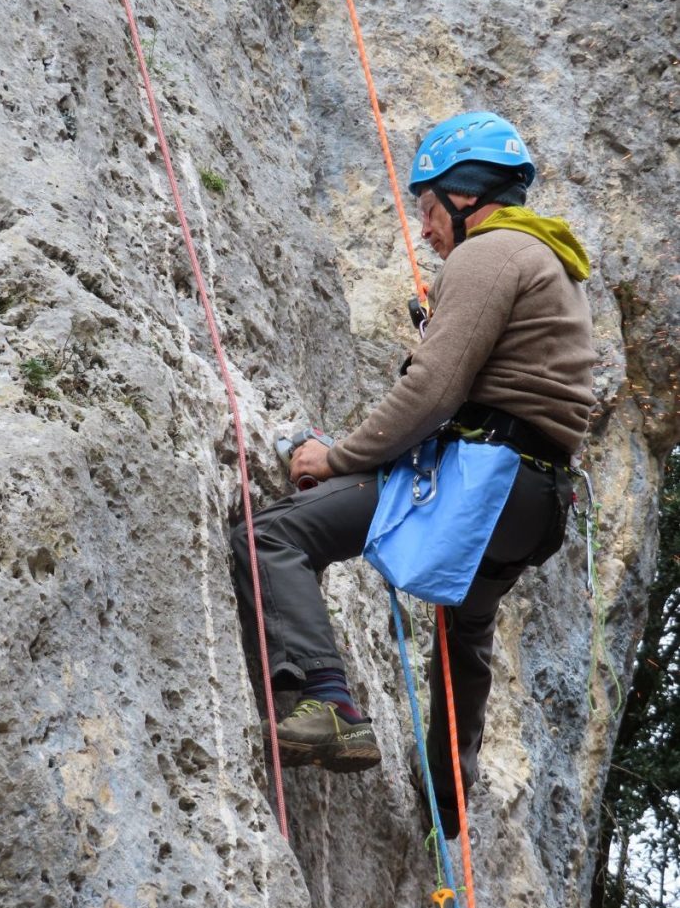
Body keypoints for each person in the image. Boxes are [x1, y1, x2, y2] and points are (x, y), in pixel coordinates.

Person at [232, 111, 594, 836]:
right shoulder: (548, 263)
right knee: (464, 630)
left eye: (427, 209)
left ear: (463, 195)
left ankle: (327, 705)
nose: (425, 230)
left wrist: (334, 458)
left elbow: (430, 392)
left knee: (270, 536)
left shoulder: (490, 255)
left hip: (481, 479)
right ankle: (449, 798)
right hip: (535, 502)